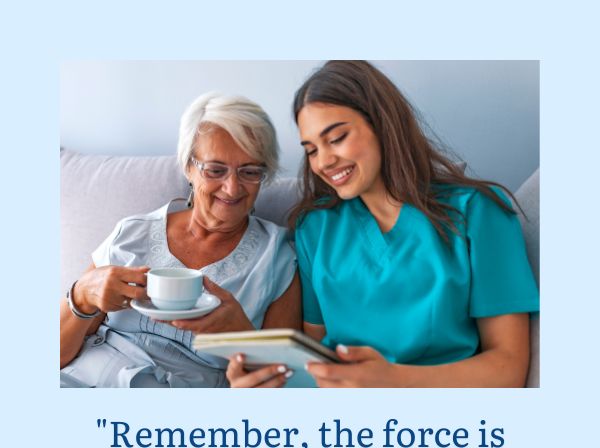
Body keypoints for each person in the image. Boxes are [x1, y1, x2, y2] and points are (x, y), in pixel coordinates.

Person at [227, 61, 538, 388]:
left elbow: (508, 367)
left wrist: (392, 380)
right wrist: (263, 379)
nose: (324, 162)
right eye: (312, 150)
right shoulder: (314, 227)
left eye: (337, 138)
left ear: (383, 124)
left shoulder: (477, 213)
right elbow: (312, 355)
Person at [60, 92, 300, 387]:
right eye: (215, 170)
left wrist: (240, 333)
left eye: (250, 172)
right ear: (189, 166)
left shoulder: (278, 258)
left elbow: (280, 387)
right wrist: (82, 296)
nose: (232, 187)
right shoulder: (131, 234)